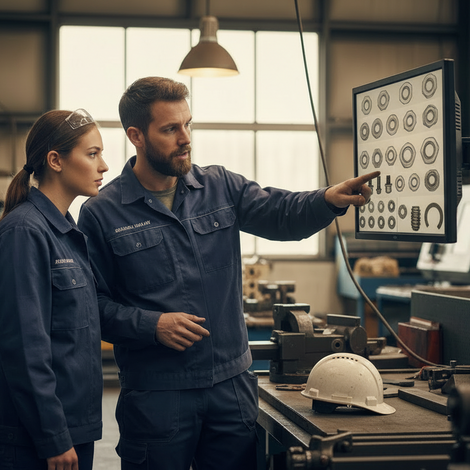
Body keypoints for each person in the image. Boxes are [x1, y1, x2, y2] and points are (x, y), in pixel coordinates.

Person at [77, 77, 379, 470]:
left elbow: (281, 212)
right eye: (170, 129)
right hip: (157, 396)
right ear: (136, 135)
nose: (185, 137)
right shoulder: (102, 212)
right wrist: (151, 325)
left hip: (230, 389)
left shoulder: (219, 186)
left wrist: (327, 200)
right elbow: (91, 308)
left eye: (188, 124)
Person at [0, 109, 109, 470]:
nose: (104, 165)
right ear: (55, 160)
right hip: (41, 438)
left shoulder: (67, 233)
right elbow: (24, 346)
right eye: (92, 154)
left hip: (75, 427)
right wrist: (53, 436)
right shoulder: (25, 232)